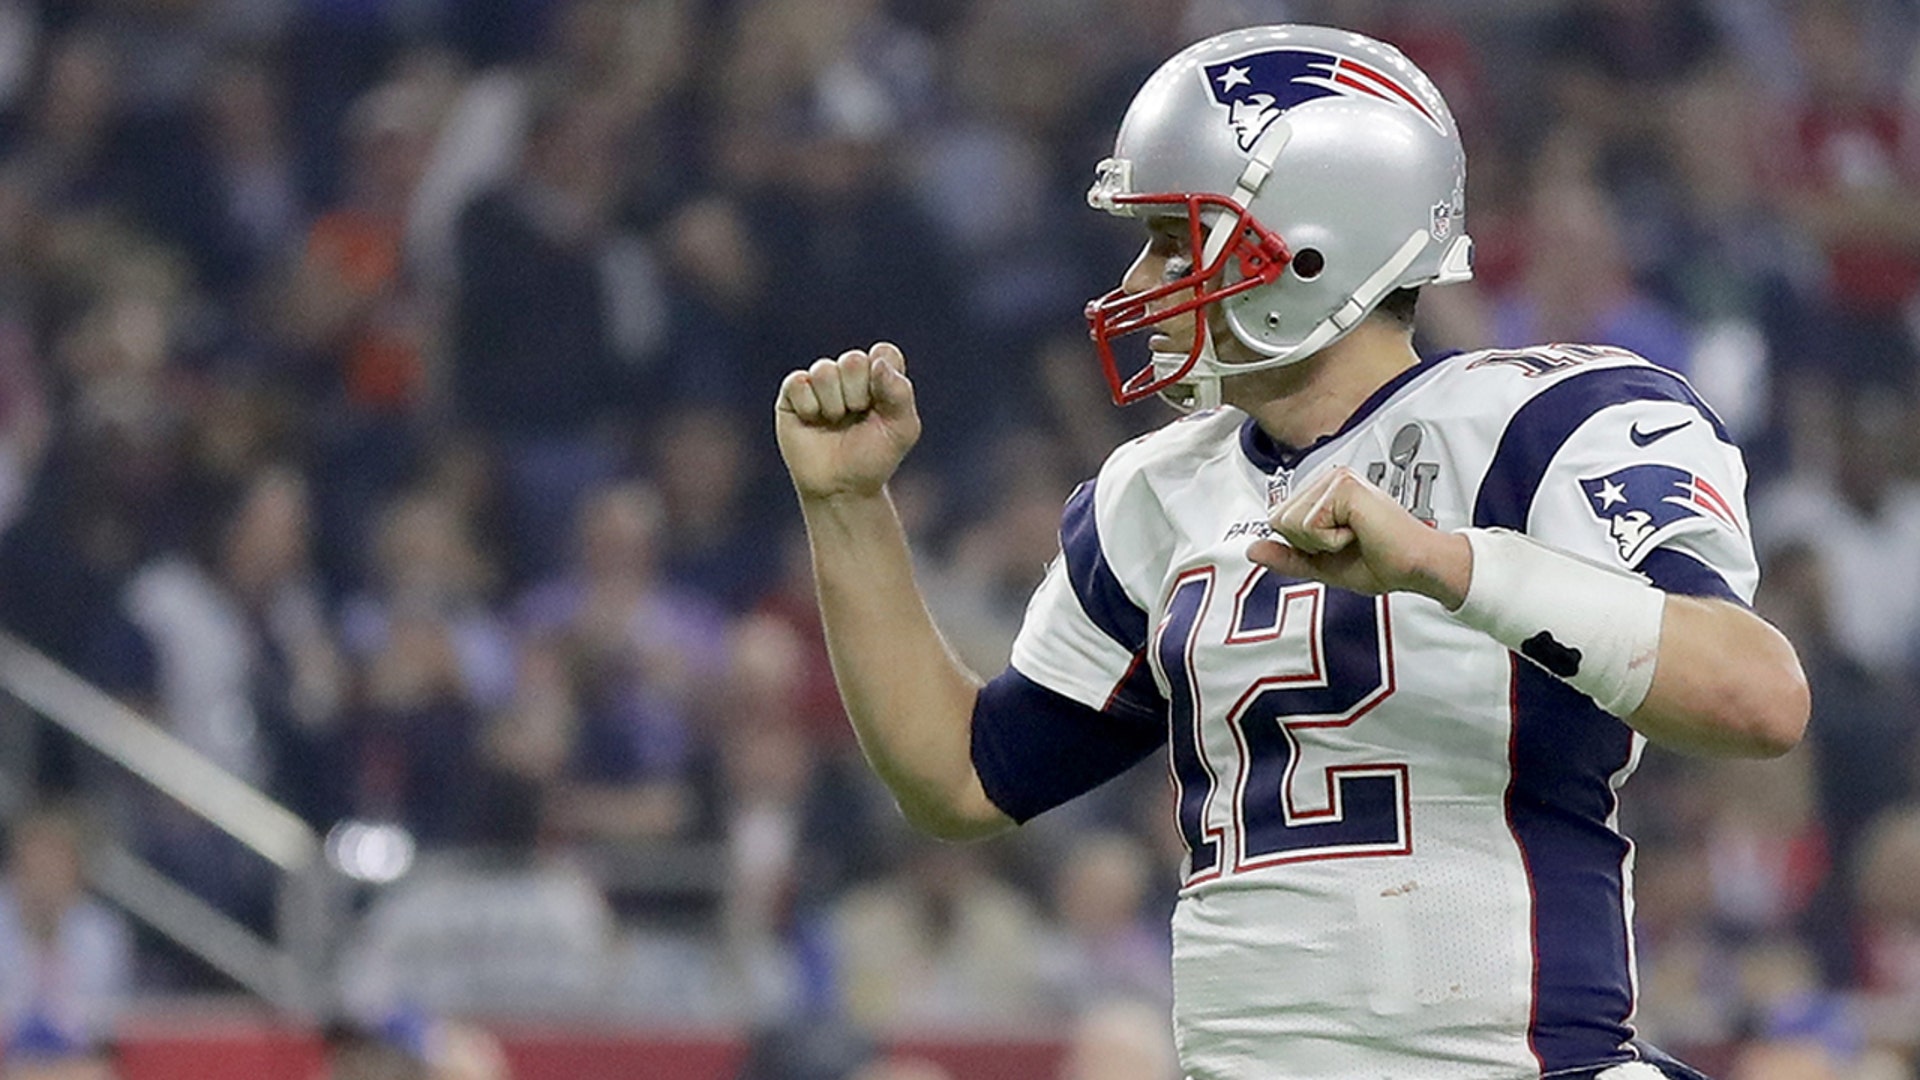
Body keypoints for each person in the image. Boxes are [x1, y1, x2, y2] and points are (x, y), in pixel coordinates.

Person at [773, 23, 1812, 1080]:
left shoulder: (1546, 422)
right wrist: (850, 507)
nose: (1142, 275)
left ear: (1314, 246)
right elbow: (960, 780)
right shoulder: (1158, 491)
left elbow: (1759, 699)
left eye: (1178, 239)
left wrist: (1450, 566)